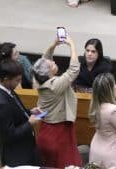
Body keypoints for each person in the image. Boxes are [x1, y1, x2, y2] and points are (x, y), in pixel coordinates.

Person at [32, 35, 82, 167]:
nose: (54, 62)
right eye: (52, 64)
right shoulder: (55, 86)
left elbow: (43, 61)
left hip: (45, 129)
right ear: (49, 73)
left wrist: (53, 45)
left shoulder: (37, 80)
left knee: (49, 164)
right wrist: (72, 45)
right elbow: (74, 70)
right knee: (67, 164)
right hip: (59, 132)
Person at [0, 59, 41, 166]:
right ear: (6, 79)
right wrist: (29, 123)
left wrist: (29, 111)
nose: (19, 83)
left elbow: (15, 111)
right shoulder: (1, 104)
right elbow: (9, 136)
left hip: (26, 147)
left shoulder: (8, 89)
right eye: (17, 80)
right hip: (17, 155)